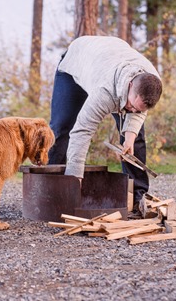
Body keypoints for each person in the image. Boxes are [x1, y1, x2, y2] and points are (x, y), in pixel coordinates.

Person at [48, 36, 163, 212]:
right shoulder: (105, 91)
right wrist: (75, 176)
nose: (131, 110)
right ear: (130, 85)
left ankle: (137, 197)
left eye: (137, 109)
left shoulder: (151, 81)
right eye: (131, 105)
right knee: (62, 127)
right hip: (76, 64)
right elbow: (82, 131)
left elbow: (138, 110)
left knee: (136, 135)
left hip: (109, 56)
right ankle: (55, 191)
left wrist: (129, 137)